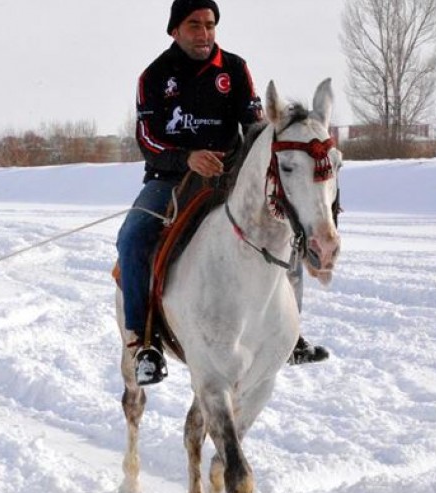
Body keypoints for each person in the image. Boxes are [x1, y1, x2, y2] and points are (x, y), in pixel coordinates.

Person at [116, 0, 328, 386]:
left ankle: (290, 335)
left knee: (286, 224)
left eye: (210, 25)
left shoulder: (234, 68)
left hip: (230, 179)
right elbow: (147, 139)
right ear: (175, 31)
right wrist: (187, 158)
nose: (204, 33)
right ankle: (142, 343)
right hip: (171, 180)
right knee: (131, 238)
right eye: (194, 25)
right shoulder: (154, 76)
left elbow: (254, 126)